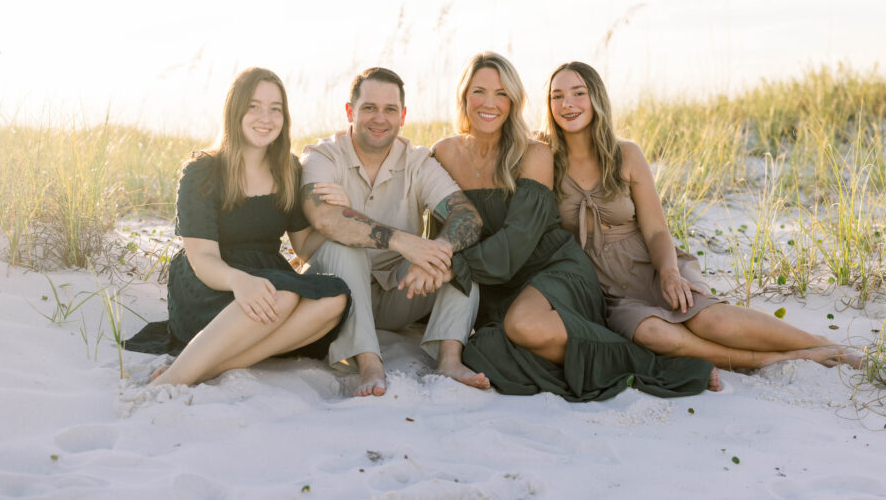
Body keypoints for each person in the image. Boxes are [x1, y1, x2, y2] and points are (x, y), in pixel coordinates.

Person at [430, 52, 717, 402]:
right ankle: (615, 346)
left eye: (502, 93)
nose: (490, 103)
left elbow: (516, 243)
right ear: (463, 96)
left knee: (523, 325)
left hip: (554, 269)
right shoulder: (442, 152)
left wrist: (451, 267)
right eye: (479, 91)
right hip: (497, 284)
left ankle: (650, 359)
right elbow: (442, 232)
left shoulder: (531, 152)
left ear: (514, 101)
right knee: (487, 353)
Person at [541, 61, 861, 371]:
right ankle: (768, 360)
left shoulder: (626, 153)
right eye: (557, 96)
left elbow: (656, 231)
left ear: (596, 97)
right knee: (654, 333)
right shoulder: (543, 157)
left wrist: (669, 273)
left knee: (711, 321)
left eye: (578, 93)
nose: (567, 103)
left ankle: (817, 343)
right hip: (604, 290)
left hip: (651, 265)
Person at [125, 67, 350, 386]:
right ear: (235, 111)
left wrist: (337, 214)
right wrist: (239, 281)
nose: (266, 118)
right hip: (211, 282)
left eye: (276, 109)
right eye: (254, 106)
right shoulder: (202, 171)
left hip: (269, 280)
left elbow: (304, 246)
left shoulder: (288, 169)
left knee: (336, 298)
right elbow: (201, 257)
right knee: (282, 296)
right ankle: (173, 379)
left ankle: (214, 366)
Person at [300, 67, 487, 397]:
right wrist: (404, 242)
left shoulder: (417, 162)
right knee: (345, 249)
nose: (379, 118)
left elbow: (466, 215)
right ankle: (369, 363)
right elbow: (325, 218)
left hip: (399, 290)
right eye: (369, 108)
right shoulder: (323, 156)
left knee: (457, 265)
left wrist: (436, 251)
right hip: (334, 292)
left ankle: (449, 360)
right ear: (350, 112)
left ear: (402, 116)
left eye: (389, 110)